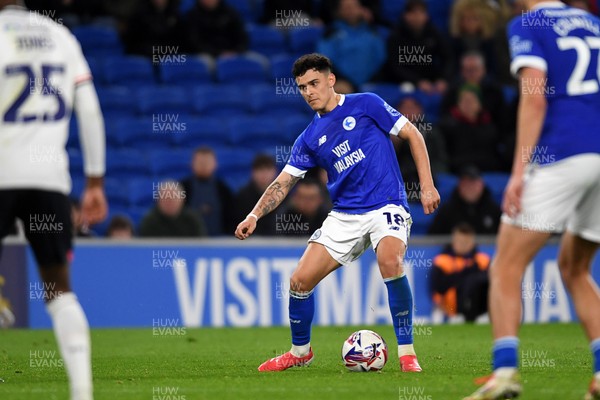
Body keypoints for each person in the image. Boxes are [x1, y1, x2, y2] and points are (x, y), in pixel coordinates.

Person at [235, 53, 440, 372]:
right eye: (302, 87)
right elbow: (283, 182)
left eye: (314, 83)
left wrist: (427, 185)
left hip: (387, 203)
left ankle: (407, 353)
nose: (309, 92)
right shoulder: (309, 139)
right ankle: (300, 352)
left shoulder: (367, 104)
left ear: (330, 80)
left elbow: (412, 134)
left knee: (390, 260)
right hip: (345, 215)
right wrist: (254, 215)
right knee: (299, 281)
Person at [465, 2, 600, 399]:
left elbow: (535, 96)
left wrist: (520, 171)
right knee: (575, 268)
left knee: (506, 267)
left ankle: (505, 375)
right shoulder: (594, 23)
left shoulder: (527, 24)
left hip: (562, 153)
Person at [0, 2, 108, 399]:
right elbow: (90, 111)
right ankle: (82, 392)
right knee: (60, 290)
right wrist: (94, 180)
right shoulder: (60, 36)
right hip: (49, 180)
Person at [382, 0, 453, 94]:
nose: (417, 17)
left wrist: (443, 79)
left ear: (426, 16)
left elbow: (448, 58)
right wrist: (417, 81)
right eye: (413, 13)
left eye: (421, 13)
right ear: (406, 15)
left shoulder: (434, 34)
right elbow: (395, 66)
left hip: (430, 81)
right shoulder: (396, 36)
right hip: (401, 82)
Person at [317, 0, 386, 87]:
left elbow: (380, 58)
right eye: (346, 7)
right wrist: (340, 79)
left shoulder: (372, 33)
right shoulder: (331, 33)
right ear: (339, 11)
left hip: (371, 82)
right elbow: (326, 59)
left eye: (353, 7)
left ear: (361, 9)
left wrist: (372, 80)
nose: (350, 10)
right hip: (341, 83)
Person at [430, 223, 489, 322]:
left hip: (479, 310)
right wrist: (466, 273)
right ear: (454, 241)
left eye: (466, 242)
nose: (463, 245)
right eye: (460, 242)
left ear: (473, 242)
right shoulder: (442, 261)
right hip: (451, 310)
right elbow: (437, 289)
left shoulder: (482, 260)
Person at [439, 84, 504, 173]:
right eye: (464, 100)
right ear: (458, 104)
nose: (467, 104)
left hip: (487, 170)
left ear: (480, 104)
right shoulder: (447, 127)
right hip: (458, 171)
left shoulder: (490, 127)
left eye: (471, 101)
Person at [428, 165, 501, 235]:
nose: (470, 188)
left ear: (481, 185)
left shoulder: (494, 211)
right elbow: (433, 241)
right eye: (466, 184)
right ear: (460, 186)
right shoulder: (447, 212)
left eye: (473, 184)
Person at [181, 147, 234, 236]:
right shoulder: (182, 188)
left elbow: (232, 219)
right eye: (200, 163)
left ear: (215, 164)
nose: (204, 166)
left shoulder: (224, 190)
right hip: (188, 243)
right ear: (192, 164)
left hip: (219, 243)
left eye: (207, 162)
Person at [139, 180, 206, 237]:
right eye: (166, 198)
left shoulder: (192, 220)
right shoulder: (150, 221)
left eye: (174, 197)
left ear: (182, 200)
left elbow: (201, 246)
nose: (170, 202)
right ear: (158, 201)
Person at [183, 0, 247, 58]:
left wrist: (236, 51)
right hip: (208, 54)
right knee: (205, 62)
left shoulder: (230, 13)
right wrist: (218, 53)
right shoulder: (193, 16)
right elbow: (195, 42)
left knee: (252, 59)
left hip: (234, 52)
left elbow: (242, 37)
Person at [235, 154, 279, 236]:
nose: (264, 174)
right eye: (260, 170)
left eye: (268, 169)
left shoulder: (283, 196)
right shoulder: (242, 197)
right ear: (253, 172)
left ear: (275, 171)